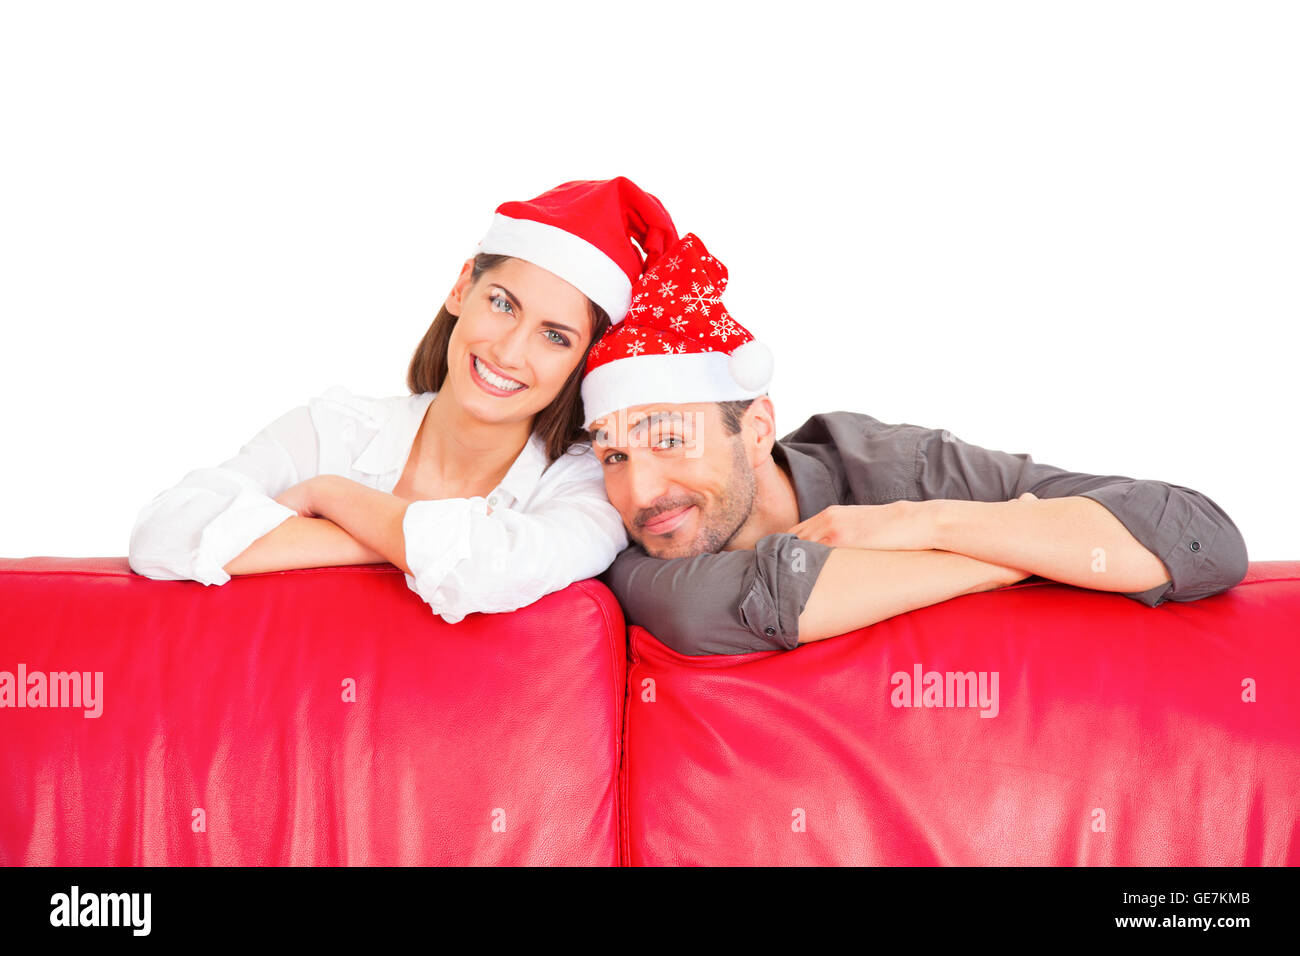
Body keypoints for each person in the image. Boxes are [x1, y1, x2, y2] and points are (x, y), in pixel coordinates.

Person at [582, 232, 1251, 655]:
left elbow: (1202, 540)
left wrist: (919, 521)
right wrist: (1013, 558)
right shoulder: (629, 549)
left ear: (755, 431)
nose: (638, 492)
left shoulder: (892, 469)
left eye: (668, 439)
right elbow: (704, 608)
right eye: (614, 455)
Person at [129, 177, 678, 623]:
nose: (509, 352)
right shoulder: (336, 428)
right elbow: (162, 535)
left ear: (582, 362)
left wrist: (334, 496)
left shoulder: (587, 484)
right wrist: (390, 543)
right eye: (502, 304)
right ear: (463, 287)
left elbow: (488, 569)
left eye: (555, 336)